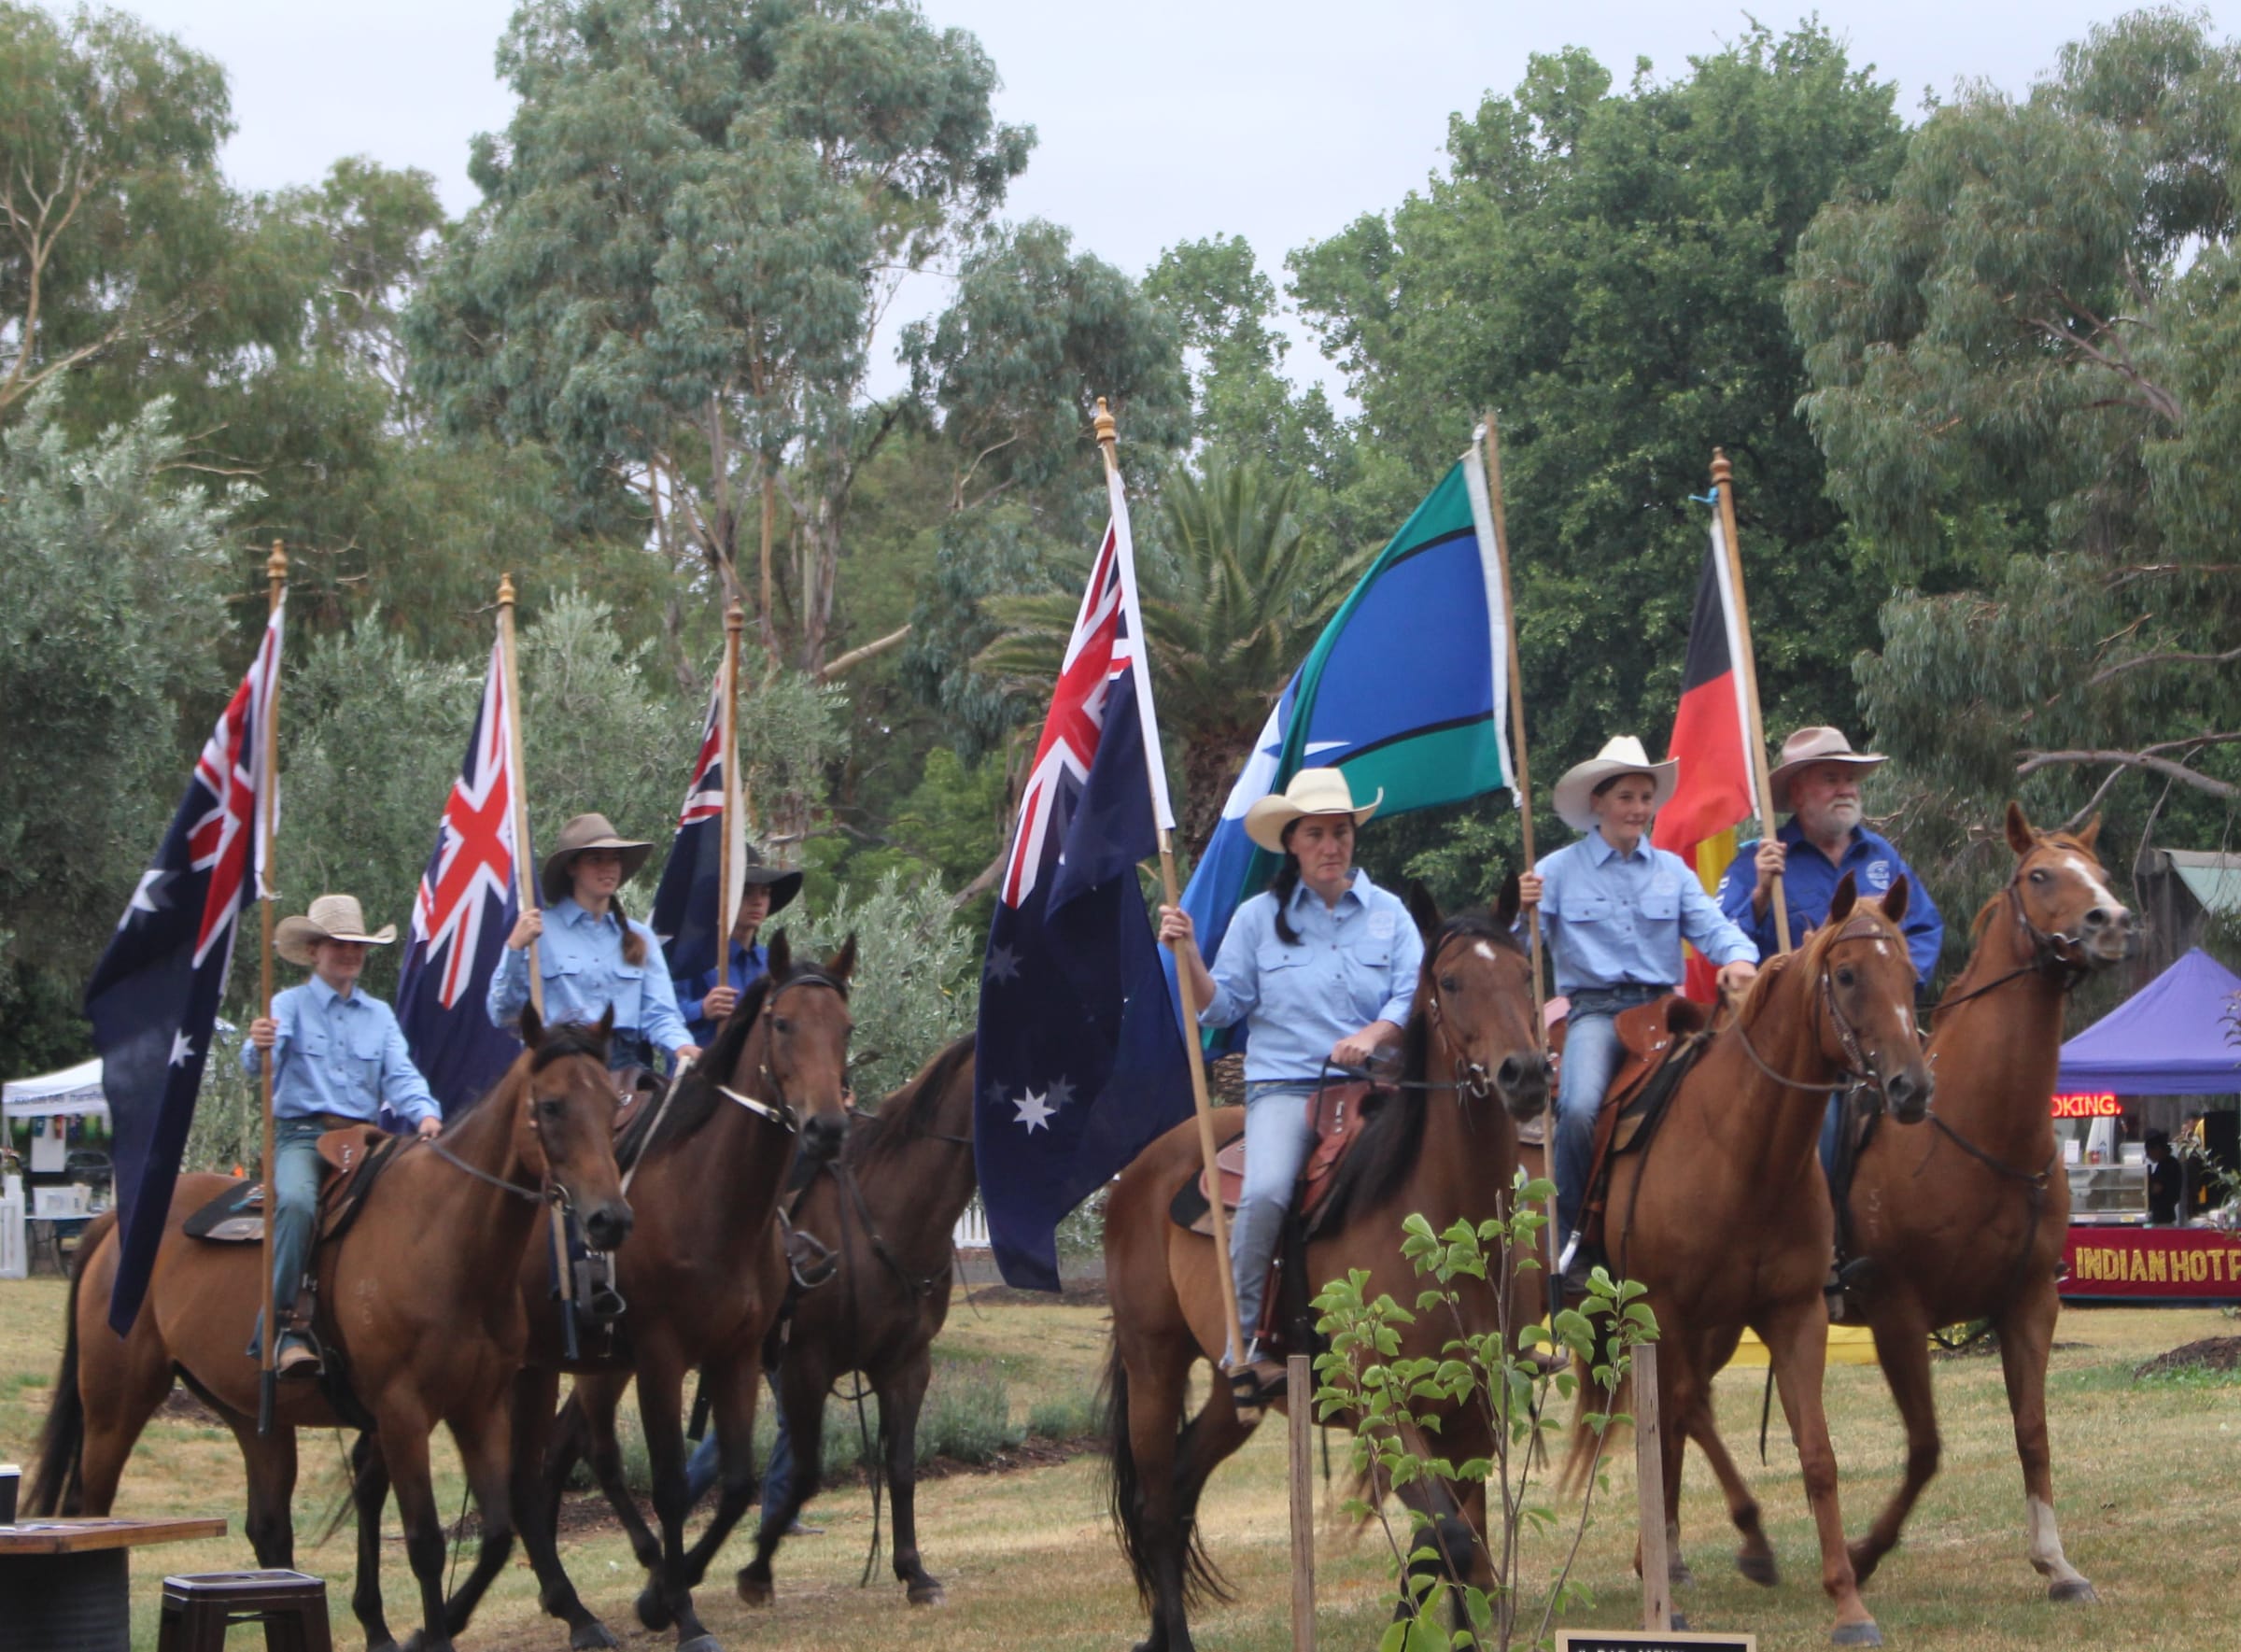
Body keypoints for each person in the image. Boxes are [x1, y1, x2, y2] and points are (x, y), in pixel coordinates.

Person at [1157, 768, 1424, 1404]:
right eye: (1317, 834)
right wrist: (1188, 952)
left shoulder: (1390, 915)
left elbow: (1413, 993)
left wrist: (1378, 1032)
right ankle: (1242, 1342)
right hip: (1285, 1087)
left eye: (1341, 831)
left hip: (1375, 1082)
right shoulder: (1257, 918)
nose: (1332, 844)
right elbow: (1220, 1009)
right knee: (1270, 1189)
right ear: (1292, 843)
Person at [1518, 736, 1759, 1282]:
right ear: (1598, 803)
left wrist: (1740, 959)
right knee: (1578, 1108)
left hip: (1667, 1011)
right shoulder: (1554, 871)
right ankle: (1571, 1239)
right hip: (1597, 1015)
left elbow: (1717, 931)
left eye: (1645, 797)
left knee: (1733, 1091)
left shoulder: (1672, 871)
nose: (1638, 809)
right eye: (1626, 796)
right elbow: (1513, 944)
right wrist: (1520, 905)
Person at [1715, 727, 1944, 1177]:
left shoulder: (1882, 856)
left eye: (1850, 779)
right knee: (1821, 1132)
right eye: (1831, 778)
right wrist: (1762, 891)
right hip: (1789, 1042)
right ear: (1798, 792)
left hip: (1873, 1027)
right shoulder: (1758, 860)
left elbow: (1922, 928)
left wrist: (1890, 986)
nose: (1845, 789)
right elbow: (1721, 937)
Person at [247, 895, 443, 1377]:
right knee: (295, 1202)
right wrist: (259, 1044)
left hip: (366, 1139)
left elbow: (402, 1075)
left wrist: (426, 1115)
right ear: (314, 951)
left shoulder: (379, 1016)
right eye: (338, 945)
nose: (350, 954)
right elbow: (257, 1064)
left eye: (357, 945)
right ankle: (278, 1327)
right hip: (302, 1136)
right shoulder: (287, 1005)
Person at [489, 812, 701, 1077]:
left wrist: (681, 1045)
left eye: (614, 859)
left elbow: (659, 1013)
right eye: (595, 859)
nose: (608, 867)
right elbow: (502, 1012)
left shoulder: (642, 937)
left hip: (626, 1067)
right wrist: (515, 948)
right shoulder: (537, 933)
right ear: (571, 867)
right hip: (559, 1066)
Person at [671, 848, 805, 1047]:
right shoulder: (690, 957)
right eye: (746, 892)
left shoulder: (772, 963)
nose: (758, 901)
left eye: (765, 892)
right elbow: (660, 1015)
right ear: (723, 898)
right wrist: (702, 1009)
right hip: (697, 1067)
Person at [2145, 1129, 2183, 1225]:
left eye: (2149, 1151)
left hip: (2164, 1217)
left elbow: (2156, 1188)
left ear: (2157, 1148)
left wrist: (2145, 1192)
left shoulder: (2167, 1165)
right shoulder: (2166, 1163)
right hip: (2163, 1216)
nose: (2148, 1155)